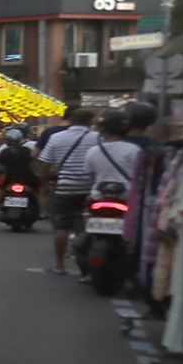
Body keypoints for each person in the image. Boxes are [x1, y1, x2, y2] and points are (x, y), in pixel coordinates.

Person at [34, 108, 98, 276]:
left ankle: (60, 264)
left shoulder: (56, 138)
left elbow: (45, 164)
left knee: (61, 227)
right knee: (86, 227)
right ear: (90, 123)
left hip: (64, 187)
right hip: (90, 190)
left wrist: (45, 184)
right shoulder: (98, 138)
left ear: (70, 120)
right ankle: (86, 271)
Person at [84, 109, 141, 199]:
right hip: (127, 196)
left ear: (101, 128)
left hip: (99, 195)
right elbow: (139, 174)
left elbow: (92, 176)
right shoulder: (134, 149)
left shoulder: (92, 151)